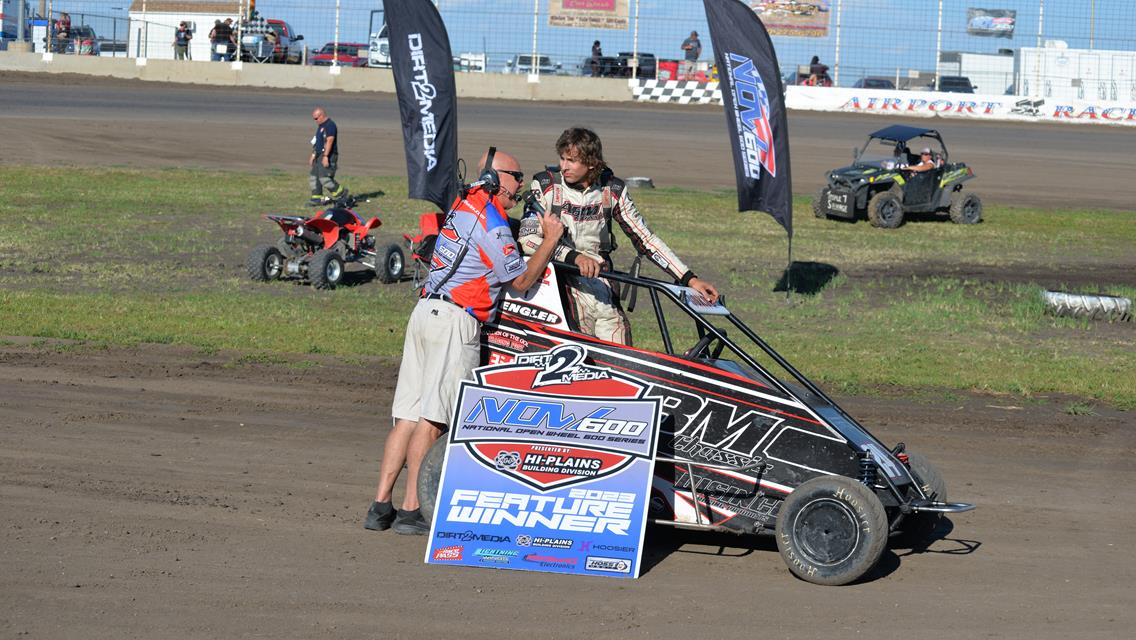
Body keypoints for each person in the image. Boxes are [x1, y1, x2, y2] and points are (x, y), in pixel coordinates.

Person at [363, 149, 565, 535]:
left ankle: (379, 506)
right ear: (494, 177)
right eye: (515, 177)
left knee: (407, 416)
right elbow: (520, 281)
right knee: (433, 420)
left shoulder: (463, 204)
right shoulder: (491, 220)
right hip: (455, 321)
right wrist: (550, 240)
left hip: (424, 312)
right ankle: (413, 510)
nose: (520, 185)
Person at [517, 127, 719, 345]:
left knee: (622, 358)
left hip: (603, 286)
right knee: (579, 358)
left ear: (592, 162)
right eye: (562, 159)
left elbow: (646, 239)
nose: (564, 166)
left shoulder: (612, 188)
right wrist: (574, 257)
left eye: (572, 161)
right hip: (561, 286)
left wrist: (689, 278)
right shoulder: (546, 185)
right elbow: (527, 240)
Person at [308, 107, 349, 206]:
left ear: (322, 115)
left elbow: (329, 140)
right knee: (314, 177)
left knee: (324, 178)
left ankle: (342, 195)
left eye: (316, 118)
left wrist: (326, 156)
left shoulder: (330, 125)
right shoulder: (321, 126)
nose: (315, 121)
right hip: (319, 155)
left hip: (328, 155)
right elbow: (318, 142)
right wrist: (313, 155)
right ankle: (316, 198)